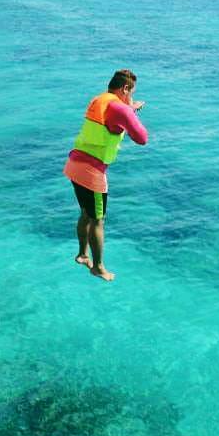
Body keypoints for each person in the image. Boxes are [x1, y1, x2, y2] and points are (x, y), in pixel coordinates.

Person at [63, 69, 148, 281]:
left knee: (85, 213)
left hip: (74, 165)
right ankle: (98, 267)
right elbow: (142, 138)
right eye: (131, 93)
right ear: (125, 89)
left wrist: (128, 109)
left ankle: (83, 254)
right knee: (98, 220)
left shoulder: (99, 100)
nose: (132, 98)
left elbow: (111, 119)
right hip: (92, 172)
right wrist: (130, 112)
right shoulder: (122, 109)